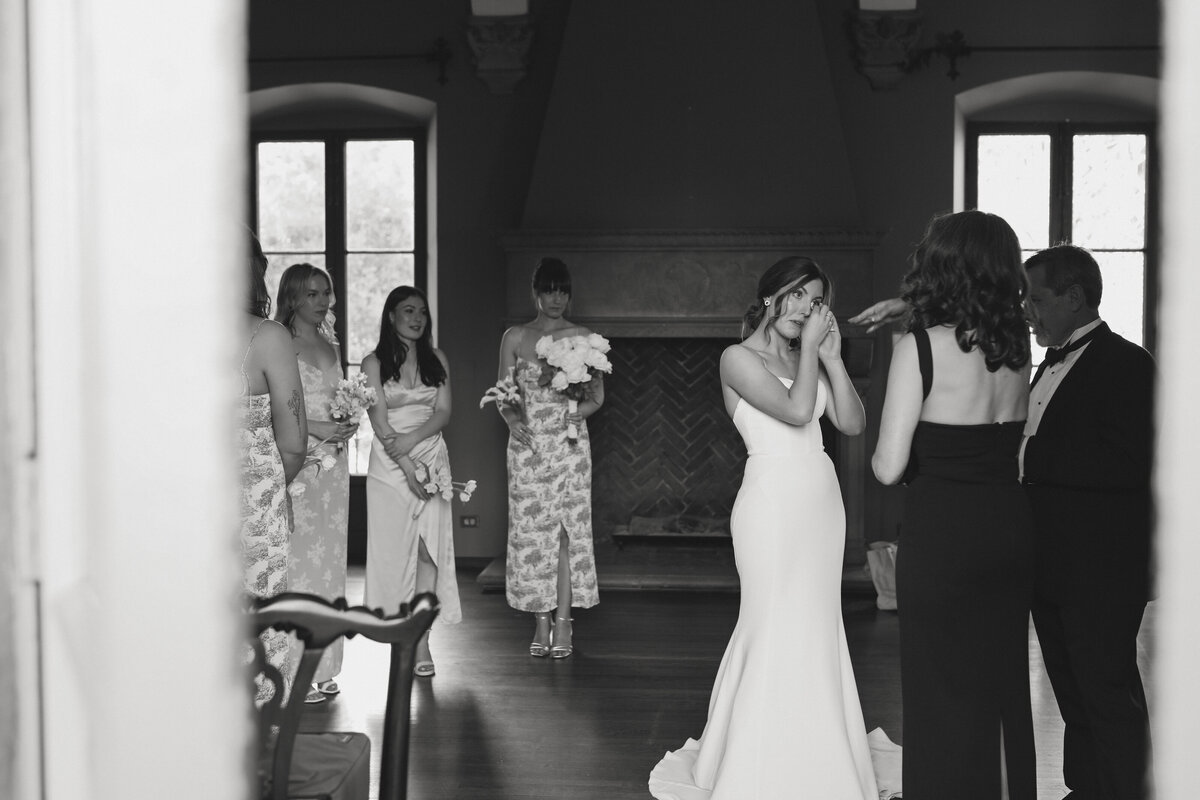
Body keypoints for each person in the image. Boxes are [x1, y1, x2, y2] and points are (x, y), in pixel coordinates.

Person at [649, 256, 876, 799]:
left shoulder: (811, 359)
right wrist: (810, 363)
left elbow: (852, 423)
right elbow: (799, 414)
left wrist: (833, 359)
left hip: (821, 500)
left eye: (817, 300)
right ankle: (756, 758)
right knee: (771, 622)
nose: (806, 308)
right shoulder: (736, 358)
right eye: (797, 295)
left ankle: (821, 752)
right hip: (771, 505)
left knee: (818, 624)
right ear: (772, 296)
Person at [863, 210, 1037, 798]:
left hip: (944, 534)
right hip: (1008, 527)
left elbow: (887, 468)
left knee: (939, 686)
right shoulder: (1017, 349)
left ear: (941, 266)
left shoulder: (920, 350)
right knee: (999, 682)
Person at [1022, 244, 1155, 800]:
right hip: (1050, 562)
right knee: (1071, 691)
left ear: (1075, 298)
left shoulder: (1128, 364)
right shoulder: (1045, 367)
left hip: (1102, 567)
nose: (1027, 310)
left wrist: (1026, 456)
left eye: (1037, 299)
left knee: (1105, 691)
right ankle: (1087, 788)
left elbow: (1132, 461)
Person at [494, 257, 603, 659]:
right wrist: (511, 420)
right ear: (535, 293)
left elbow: (597, 398)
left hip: (571, 446)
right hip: (528, 448)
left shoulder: (584, 337)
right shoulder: (515, 337)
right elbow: (503, 394)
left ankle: (562, 623)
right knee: (531, 535)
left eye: (563, 290)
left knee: (564, 534)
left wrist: (575, 414)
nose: (556, 298)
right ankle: (539, 620)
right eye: (549, 290)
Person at [361, 286, 461, 677]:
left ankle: (421, 639)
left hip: (432, 457)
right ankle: (395, 629)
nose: (417, 318)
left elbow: (444, 412)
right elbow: (379, 421)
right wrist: (405, 463)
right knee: (393, 552)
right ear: (391, 316)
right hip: (389, 467)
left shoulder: (437, 359)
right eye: (408, 311)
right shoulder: (373, 363)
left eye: (422, 312)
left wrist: (416, 449)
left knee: (428, 551)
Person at [274, 263, 358, 704]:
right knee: (300, 560)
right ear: (291, 297)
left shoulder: (331, 341)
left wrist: (347, 420)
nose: (323, 300)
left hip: (334, 469)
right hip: (300, 464)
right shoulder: (279, 343)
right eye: (311, 294)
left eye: (325, 292)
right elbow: (275, 410)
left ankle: (326, 663)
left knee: (331, 559)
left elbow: (337, 400)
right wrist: (321, 428)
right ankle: (293, 668)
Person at [237, 229, 307, 701]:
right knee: (258, 619)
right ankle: (261, 745)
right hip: (255, 510)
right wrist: (270, 490)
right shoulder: (268, 337)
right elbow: (295, 441)